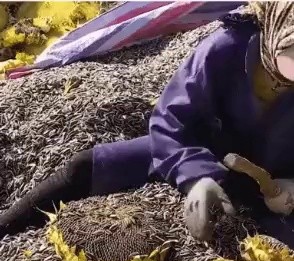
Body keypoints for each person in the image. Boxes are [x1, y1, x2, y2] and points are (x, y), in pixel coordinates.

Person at [2, 2, 294, 246]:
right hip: (201, 149)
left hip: (275, 188)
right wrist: (197, 176)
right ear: (276, 28)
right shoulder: (226, 48)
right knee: (86, 167)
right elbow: (171, 120)